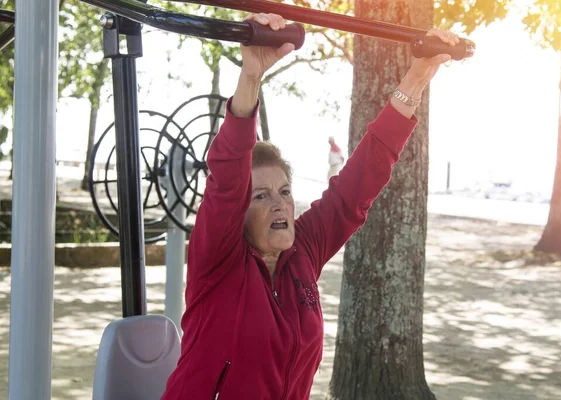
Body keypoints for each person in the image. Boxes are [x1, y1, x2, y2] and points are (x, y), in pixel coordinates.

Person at [162, 12, 459, 400]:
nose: (280, 205)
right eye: (261, 196)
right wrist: (251, 76)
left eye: (285, 192)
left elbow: (356, 186)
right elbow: (228, 175)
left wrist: (417, 78)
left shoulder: (303, 251)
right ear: (238, 212)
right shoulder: (217, 262)